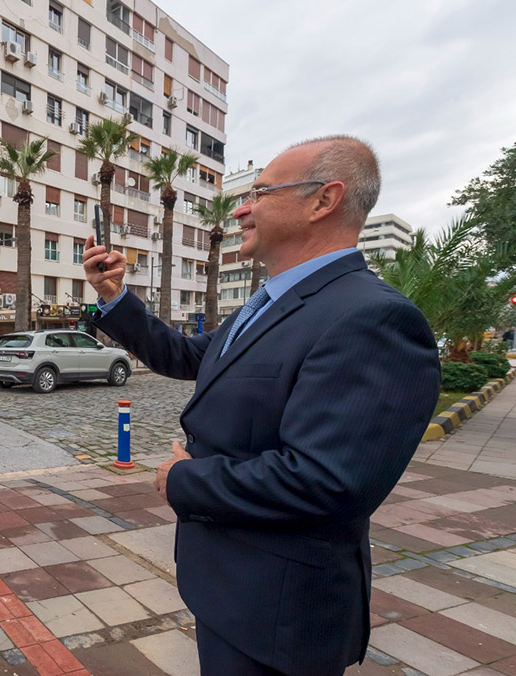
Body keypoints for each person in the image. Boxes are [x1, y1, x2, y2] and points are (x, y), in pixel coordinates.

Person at [83, 136, 440, 675]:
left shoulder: (372, 318)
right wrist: (115, 296)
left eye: (261, 193)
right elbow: (187, 356)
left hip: (279, 615)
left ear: (324, 200)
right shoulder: (269, 303)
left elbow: (327, 482)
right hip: (230, 592)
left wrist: (183, 480)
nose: (241, 209)